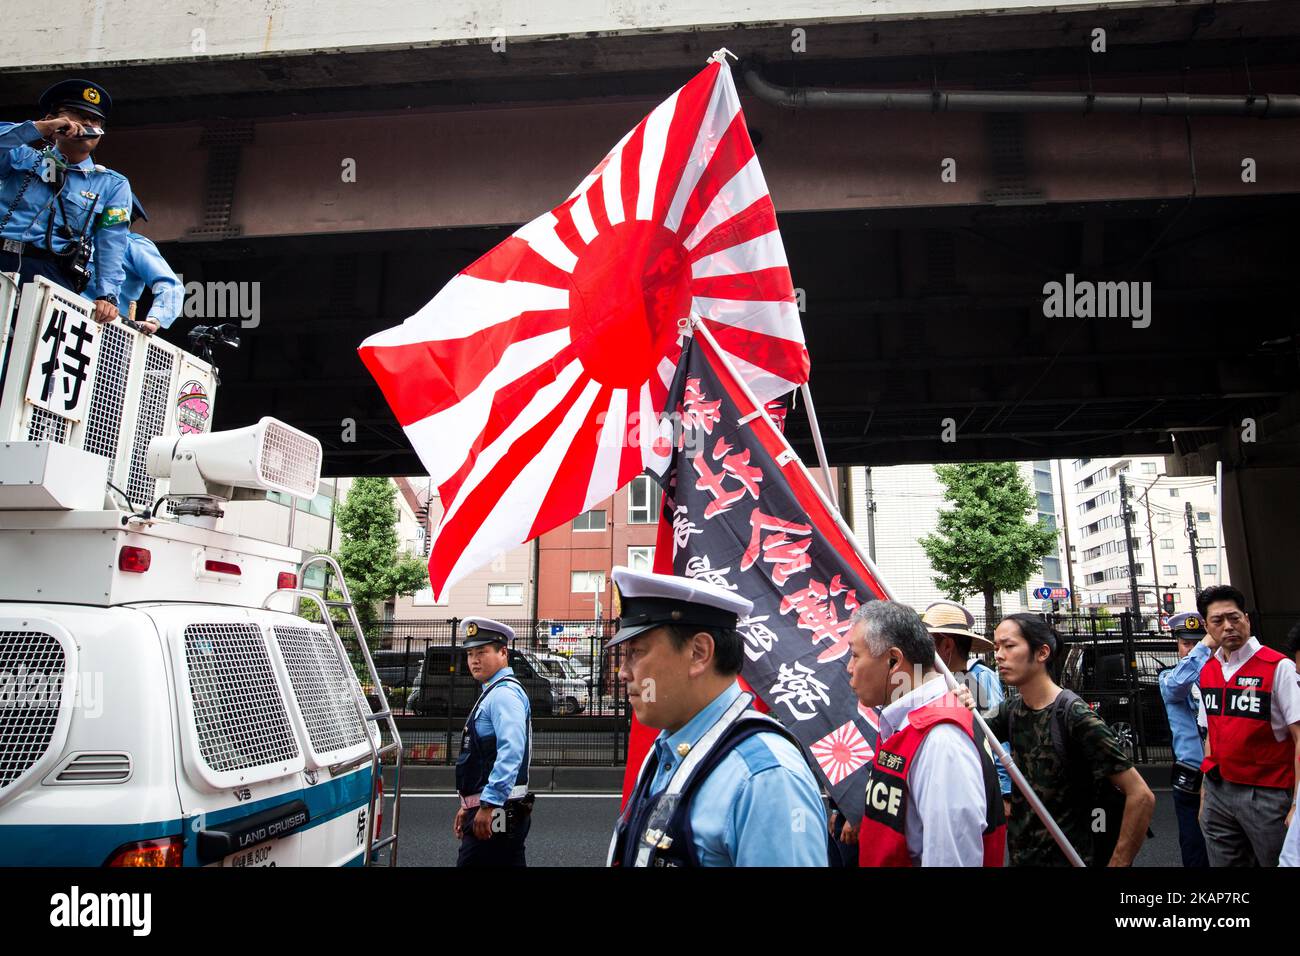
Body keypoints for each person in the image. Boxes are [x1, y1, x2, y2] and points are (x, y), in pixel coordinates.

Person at [606, 566, 828, 867]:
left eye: (636, 651)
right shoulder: (669, 748)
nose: (623, 672)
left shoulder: (765, 777)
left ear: (699, 653)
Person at [981, 613, 1154, 866]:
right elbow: (970, 735)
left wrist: (1118, 862)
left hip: (1074, 858)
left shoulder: (1075, 715)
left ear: (1042, 653)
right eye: (996, 647)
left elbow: (1141, 795)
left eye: (1008, 646)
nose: (998, 655)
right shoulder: (1012, 709)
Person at [848, 601, 1005, 867]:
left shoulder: (942, 740)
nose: (849, 668)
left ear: (894, 660)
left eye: (855, 655)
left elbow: (951, 858)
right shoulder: (904, 724)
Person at [0, 79, 132, 324]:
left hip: (53, 273)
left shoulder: (112, 184)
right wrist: (39, 128)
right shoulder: (21, 156)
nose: (87, 125)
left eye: (95, 121)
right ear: (53, 118)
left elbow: (111, 242)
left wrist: (107, 295)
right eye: (79, 116)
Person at [1196, 585, 1300, 867]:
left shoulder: (1279, 667)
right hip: (1218, 789)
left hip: (1268, 793)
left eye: (1235, 617)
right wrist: (1205, 796)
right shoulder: (1208, 671)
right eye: (1218, 621)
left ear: (1247, 619)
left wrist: (1296, 805)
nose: (1228, 626)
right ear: (1207, 627)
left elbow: (1299, 737)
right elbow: (1210, 736)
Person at [453, 617, 534, 867]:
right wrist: (468, 804)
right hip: (496, 806)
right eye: (470, 653)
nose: (474, 659)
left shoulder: (503, 694)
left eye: (482, 652)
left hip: (499, 808)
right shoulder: (493, 690)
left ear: (503, 653)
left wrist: (488, 805)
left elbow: (511, 751)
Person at [922, 600, 1012, 809]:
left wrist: (1004, 792)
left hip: (980, 786)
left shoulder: (981, 677)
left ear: (946, 646)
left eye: (927, 643)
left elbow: (996, 737)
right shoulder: (928, 681)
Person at [1158, 611, 1214, 867]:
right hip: (1191, 775)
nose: (1191, 649)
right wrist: (1202, 650)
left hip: (1223, 775)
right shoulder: (1168, 677)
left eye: (1197, 642)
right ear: (1178, 645)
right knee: (1194, 849)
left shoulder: (1222, 674)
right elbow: (1177, 686)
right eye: (1186, 644)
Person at [118, 197, 183, 334]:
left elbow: (171, 286)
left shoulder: (132, 245)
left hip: (105, 331)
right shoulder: (77, 237)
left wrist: (155, 319)